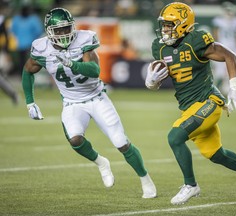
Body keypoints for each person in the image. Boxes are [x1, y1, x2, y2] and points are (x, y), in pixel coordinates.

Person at [21, 7, 156, 199]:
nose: (64, 33)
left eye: (67, 28)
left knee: (121, 142)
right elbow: (28, 71)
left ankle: (145, 179)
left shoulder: (84, 39)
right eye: (58, 30)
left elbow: (94, 70)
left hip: (97, 97)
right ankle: (101, 162)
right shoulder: (41, 47)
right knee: (75, 139)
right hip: (71, 102)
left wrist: (71, 64)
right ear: (50, 32)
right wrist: (30, 102)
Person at [145, 2, 236, 205]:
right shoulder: (159, 47)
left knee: (175, 137)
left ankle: (191, 185)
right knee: (216, 154)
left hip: (209, 102)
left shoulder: (196, 41)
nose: (165, 29)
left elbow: (229, 56)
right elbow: (159, 78)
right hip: (189, 108)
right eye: (164, 25)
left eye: (170, 25)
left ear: (183, 24)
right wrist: (151, 82)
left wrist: (234, 86)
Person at [211, 1, 236, 93]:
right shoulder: (218, 20)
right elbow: (215, 34)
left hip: (233, 47)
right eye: (227, 11)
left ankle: (235, 88)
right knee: (220, 70)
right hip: (222, 46)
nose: (229, 13)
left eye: (230, 11)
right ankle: (217, 89)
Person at [11, 5, 43, 76]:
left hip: (24, 44)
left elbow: (13, 30)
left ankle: (23, 75)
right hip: (28, 45)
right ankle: (26, 75)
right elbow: (39, 31)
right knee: (29, 62)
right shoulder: (33, 19)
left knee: (24, 61)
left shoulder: (18, 19)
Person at [0, 8, 19, 105]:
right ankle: (12, 94)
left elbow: (6, 38)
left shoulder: (2, 20)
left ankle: (12, 94)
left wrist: (6, 52)